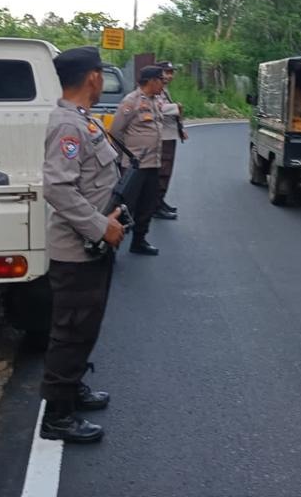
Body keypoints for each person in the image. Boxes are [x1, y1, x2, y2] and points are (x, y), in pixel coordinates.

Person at [40, 46, 126, 443]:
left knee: (85, 328)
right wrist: (100, 227)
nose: (101, 79)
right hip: (77, 251)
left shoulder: (82, 119)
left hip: (92, 247)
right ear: (93, 77)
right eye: (100, 74)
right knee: (71, 332)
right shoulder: (67, 125)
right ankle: (57, 417)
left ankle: (71, 389)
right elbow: (58, 188)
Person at [110, 65, 165, 255]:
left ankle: (139, 241)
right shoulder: (131, 101)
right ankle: (111, 243)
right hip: (135, 166)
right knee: (126, 206)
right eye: (161, 80)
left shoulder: (156, 100)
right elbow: (116, 131)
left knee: (147, 205)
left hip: (153, 163)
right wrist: (126, 155)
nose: (163, 84)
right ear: (152, 81)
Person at [154, 60, 188, 219]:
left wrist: (181, 129)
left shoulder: (164, 89)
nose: (170, 76)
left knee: (166, 171)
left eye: (171, 73)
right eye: (166, 72)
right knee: (162, 171)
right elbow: (156, 108)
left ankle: (160, 201)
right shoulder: (155, 89)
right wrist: (176, 107)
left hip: (169, 134)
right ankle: (156, 205)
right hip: (162, 135)